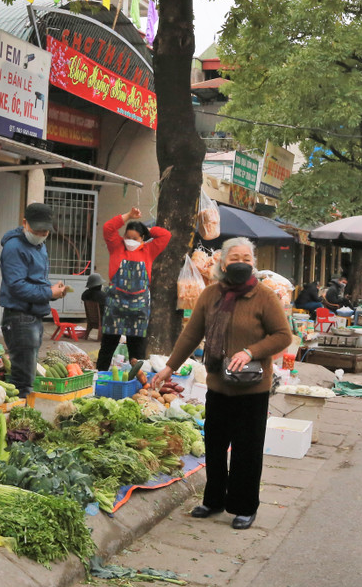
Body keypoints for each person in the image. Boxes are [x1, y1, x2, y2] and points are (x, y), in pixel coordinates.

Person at [152, 238, 292, 530]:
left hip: (252, 387)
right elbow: (191, 334)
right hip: (218, 384)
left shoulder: (264, 296)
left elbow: (282, 336)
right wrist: (169, 367)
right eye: (235, 257)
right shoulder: (211, 295)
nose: (241, 262)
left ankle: (244, 507)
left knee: (247, 449)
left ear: (253, 263)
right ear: (223, 263)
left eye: (247, 258)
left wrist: (250, 351)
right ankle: (213, 500)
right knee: (214, 445)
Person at [0, 203, 67, 397]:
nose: (41, 233)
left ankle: (21, 419)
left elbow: (34, 280)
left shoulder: (39, 245)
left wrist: (53, 291)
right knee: (23, 380)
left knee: (28, 375)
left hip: (33, 316)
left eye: (45, 230)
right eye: (37, 229)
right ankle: (17, 420)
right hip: (20, 318)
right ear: (24, 223)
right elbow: (17, 286)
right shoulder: (14, 247)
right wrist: (48, 292)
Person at [96, 207, 171, 370]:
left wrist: (148, 229)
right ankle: (100, 377)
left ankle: (138, 382)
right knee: (107, 348)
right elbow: (108, 228)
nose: (129, 240)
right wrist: (128, 216)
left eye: (135, 238)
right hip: (115, 306)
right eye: (127, 237)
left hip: (138, 309)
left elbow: (165, 235)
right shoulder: (116, 246)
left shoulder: (149, 250)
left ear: (143, 238)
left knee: (137, 352)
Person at [80, 272, 106, 340]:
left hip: (91, 319)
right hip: (103, 320)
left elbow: (83, 297)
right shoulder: (102, 295)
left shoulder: (85, 294)